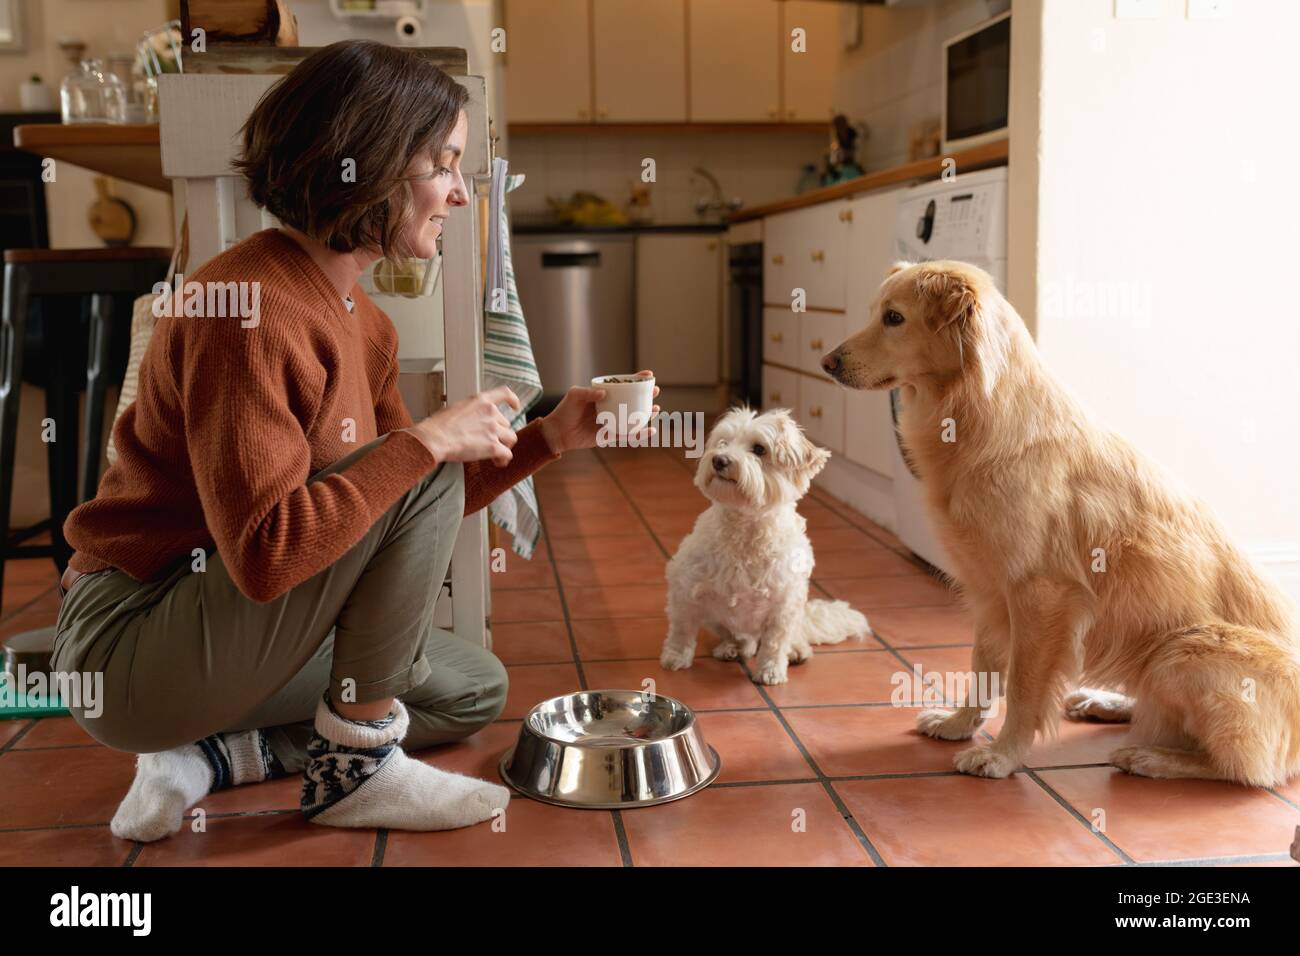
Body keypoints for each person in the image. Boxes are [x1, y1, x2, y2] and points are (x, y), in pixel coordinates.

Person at [53, 39, 657, 843]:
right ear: (369, 161)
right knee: (422, 463)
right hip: (134, 645)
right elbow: (271, 552)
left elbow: (403, 509)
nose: (458, 195)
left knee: (471, 687)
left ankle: (211, 756)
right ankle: (356, 772)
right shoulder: (246, 309)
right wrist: (431, 444)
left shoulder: (361, 322)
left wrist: (547, 438)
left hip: (225, 631)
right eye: (443, 164)